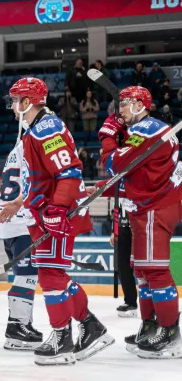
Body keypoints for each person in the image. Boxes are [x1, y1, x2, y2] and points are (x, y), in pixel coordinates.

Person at [8, 77, 113, 366]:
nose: (13, 104)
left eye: (16, 99)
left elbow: (68, 171)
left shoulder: (47, 127)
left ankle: (62, 339)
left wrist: (57, 209)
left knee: (51, 277)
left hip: (56, 214)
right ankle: (91, 327)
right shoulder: (35, 129)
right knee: (55, 275)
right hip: (46, 213)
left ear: (28, 101)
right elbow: (41, 177)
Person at [94, 86, 182, 358]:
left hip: (156, 206)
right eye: (119, 104)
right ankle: (150, 325)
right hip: (147, 205)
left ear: (141, 105)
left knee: (155, 272)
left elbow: (114, 164)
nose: (119, 110)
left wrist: (108, 136)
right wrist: (98, 188)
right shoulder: (148, 131)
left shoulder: (147, 131)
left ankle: (170, 332)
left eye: (125, 104)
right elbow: (135, 176)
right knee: (142, 273)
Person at [0, 135, 42, 351]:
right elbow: (36, 181)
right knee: (27, 276)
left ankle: (24, 324)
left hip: (10, 222)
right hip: (22, 220)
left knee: (25, 275)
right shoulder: (33, 144)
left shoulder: (16, 149)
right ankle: (16, 329)